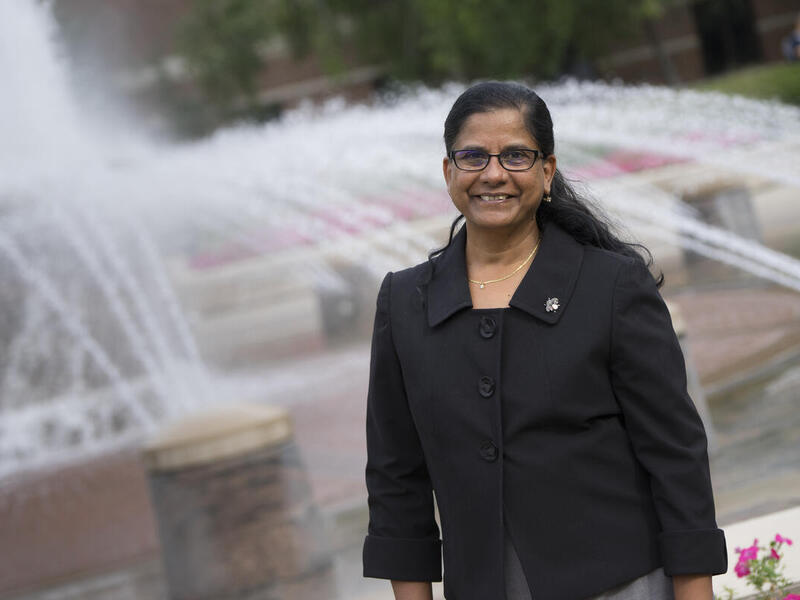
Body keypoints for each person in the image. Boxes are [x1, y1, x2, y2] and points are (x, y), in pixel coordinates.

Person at [362, 81, 727, 600]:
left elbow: (675, 455)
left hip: (621, 583)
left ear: (547, 171)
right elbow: (396, 476)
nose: (493, 174)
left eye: (516, 155)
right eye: (473, 156)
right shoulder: (403, 303)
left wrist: (695, 592)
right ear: (448, 172)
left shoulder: (612, 285)